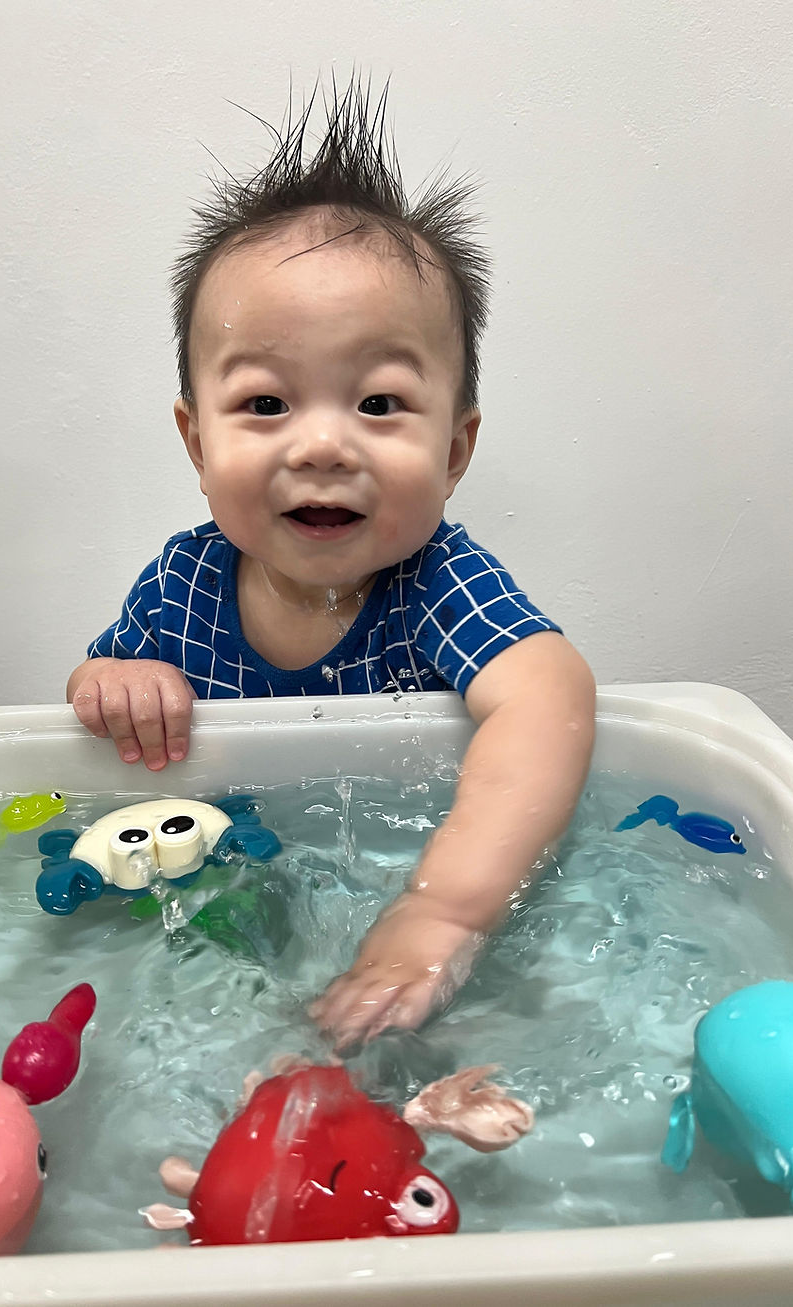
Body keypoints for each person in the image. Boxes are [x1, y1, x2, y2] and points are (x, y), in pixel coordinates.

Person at [66, 81, 596, 1049]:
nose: (319, 444)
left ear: (453, 450)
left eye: (379, 403)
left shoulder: (434, 583)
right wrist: (110, 681)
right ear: (195, 441)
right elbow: (96, 714)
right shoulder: (179, 589)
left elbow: (548, 692)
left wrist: (441, 911)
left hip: (398, 905)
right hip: (233, 902)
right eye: (265, 404)